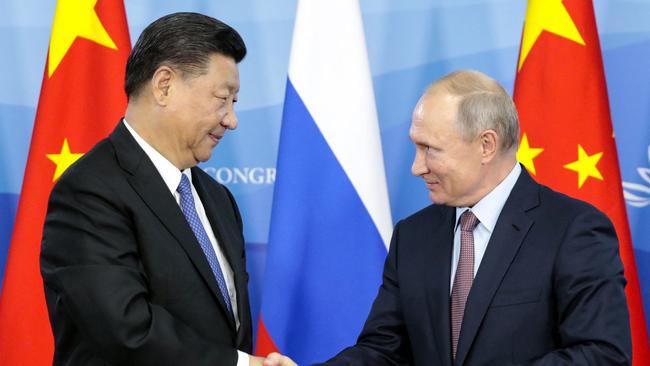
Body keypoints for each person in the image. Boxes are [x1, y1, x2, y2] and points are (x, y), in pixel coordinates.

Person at [267, 70, 632, 365]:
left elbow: (602, 354)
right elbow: (384, 351)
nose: (416, 167)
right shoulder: (413, 235)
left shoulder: (573, 229)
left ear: (486, 145)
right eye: (415, 146)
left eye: (430, 149)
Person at [41, 12, 269, 366]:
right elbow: (124, 332)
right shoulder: (87, 192)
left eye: (234, 103)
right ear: (164, 85)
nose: (231, 120)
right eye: (222, 98)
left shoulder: (218, 199)